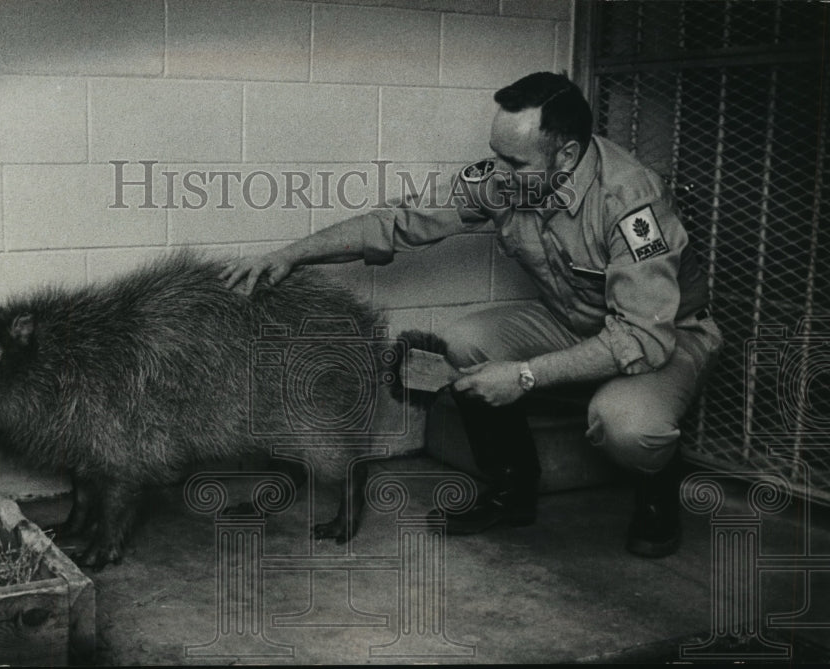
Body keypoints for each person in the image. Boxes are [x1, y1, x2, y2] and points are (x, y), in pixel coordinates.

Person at [220, 71, 722, 558]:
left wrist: (525, 376)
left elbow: (641, 335)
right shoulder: (504, 178)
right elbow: (400, 222)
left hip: (665, 336)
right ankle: (512, 491)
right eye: (494, 155)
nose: (498, 174)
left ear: (566, 155)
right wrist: (291, 254)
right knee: (465, 340)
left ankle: (658, 494)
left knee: (626, 425)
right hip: (577, 323)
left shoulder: (632, 202)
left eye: (514, 162)